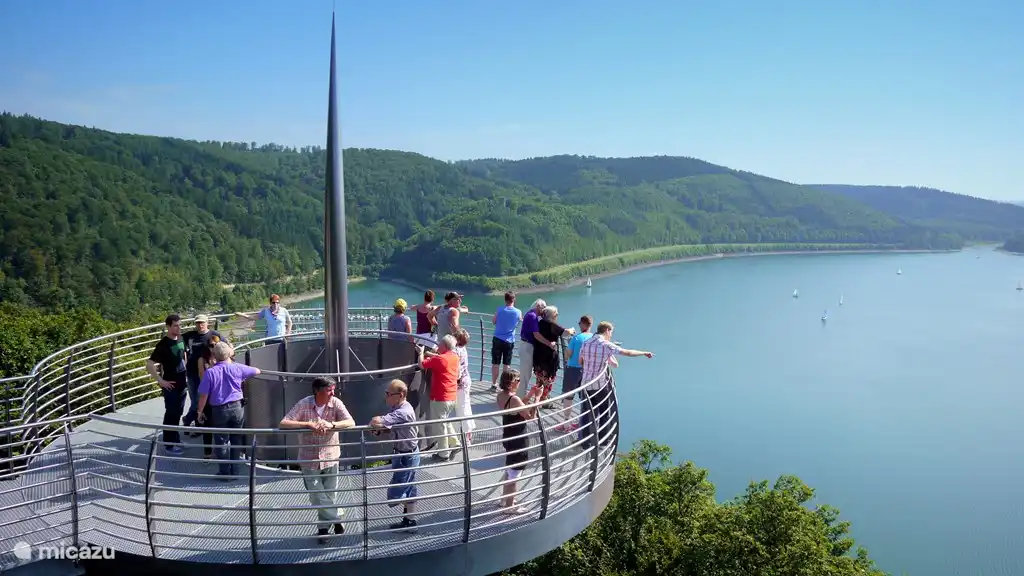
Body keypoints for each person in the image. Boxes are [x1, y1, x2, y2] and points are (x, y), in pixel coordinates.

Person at [279, 376, 356, 544]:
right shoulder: (304, 403)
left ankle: (323, 529)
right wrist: (307, 424)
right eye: (329, 390)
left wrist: (332, 425)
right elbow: (283, 423)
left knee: (329, 494)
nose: (332, 393)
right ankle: (338, 516)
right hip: (309, 458)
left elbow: (351, 422)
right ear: (317, 391)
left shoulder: (336, 403)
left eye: (333, 390)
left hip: (331, 457)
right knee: (316, 496)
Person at [578, 321, 654, 448]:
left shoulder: (586, 343)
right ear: (607, 330)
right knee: (604, 412)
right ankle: (603, 441)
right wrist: (644, 353)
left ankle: (586, 442)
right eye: (611, 332)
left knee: (587, 412)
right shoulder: (606, 345)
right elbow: (627, 352)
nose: (611, 335)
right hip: (599, 385)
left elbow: (580, 361)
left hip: (585, 383)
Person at [196, 341, 261, 480]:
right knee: (236, 439)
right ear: (229, 354)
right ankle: (235, 471)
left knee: (221, 441)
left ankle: (225, 473)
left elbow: (203, 395)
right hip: (237, 408)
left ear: (214, 356)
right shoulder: (237, 367)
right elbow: (257, 371)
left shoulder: (210, 372)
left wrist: (199, 412)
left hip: (219, 410)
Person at [369, 379, 420, 533]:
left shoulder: (403, 412)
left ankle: (410, 519)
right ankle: (410, 520)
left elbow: (377, 421)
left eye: (389, 394)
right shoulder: (397, 408)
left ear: (401, 395)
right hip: (403, 454)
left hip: (407, 456)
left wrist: (377, 424)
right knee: (408, 486)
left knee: (397, 492)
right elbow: (390, 427)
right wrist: (381, 430)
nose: (386, 397)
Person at [496, 369, 541, 514]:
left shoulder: (501, 396)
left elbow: (518, 408)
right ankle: (510, 506)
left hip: (508, 436)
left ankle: (504, 499)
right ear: (511, 383)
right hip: (518, 439)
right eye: (518, 380)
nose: (520, 382)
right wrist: (537, 398)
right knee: (515, 474)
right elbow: (530, 416)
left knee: (509, 469)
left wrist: (530, 394)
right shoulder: (514, 399)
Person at [145, 314, 188, 455]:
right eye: (175, 326)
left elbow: (183, 355)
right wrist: (160, 380)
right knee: (171, 413)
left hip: (182, 383)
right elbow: (149, 364)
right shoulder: (163, 345)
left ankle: (175, 439)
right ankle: (169, 445)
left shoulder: (181, 338)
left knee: (178, 413)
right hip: (170, 385)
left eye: (179, 325)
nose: (179, 328)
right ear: (168, 327)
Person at [418, 334, 461, 461]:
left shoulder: (439, 359)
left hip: (440, 398)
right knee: (445, 421)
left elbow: (422, 364)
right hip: (452, 396)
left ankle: (443, 454)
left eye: (440, 343)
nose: (438, 345)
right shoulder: (454, 357)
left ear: (445, 346)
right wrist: (431, 354)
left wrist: (421, 353)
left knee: (440, 426)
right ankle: (455, 443)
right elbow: (442, 359)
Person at [181, 314, 220, 431]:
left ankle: (193, 422)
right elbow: (176, 339)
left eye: (202, 322)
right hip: (192, 373)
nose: (200, 325)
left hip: (208, 373)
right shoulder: (189, 336)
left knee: (203, 400)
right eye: (198, 323)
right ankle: (193, 422)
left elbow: (226, 346)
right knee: (195, 401)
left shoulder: (214, 334)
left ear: (207, 323)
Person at [556, 315, 593, 432]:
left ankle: (566, 424)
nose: (579, 325)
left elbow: (568, 354)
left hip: (573, 369)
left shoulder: (576, 338)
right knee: (584, 397)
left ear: (583, 324)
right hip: (587, 370)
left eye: (579, 323)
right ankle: (583, 422)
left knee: (568, 397)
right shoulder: (594, 338)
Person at [531, 305, 575, 405]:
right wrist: (572, 330)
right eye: (556, 314)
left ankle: (538, 397)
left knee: (540, 378)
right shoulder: (552, 325)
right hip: (549, 357)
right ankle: (544, 400)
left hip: (538, 356)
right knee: (549, 378)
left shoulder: (540, 323)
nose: (557, 315)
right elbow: (565, 333)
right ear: (552, 315)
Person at [490, 291, 522, 390]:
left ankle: (494, 384)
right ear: (514, 299)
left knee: (495, 364)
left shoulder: (500, 309)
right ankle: (504, 385)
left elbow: (494, 321)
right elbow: (520, 320)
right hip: (509, 341)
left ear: (505, 300)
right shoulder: (518, 312)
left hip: (497, 339)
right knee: (506, 365)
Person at [453, 328, 475, 443]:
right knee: (466, 407)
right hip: (466, 381)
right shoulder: (463, 349)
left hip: (460, 384)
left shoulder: (456, 351)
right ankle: (469, 433)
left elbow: (457, 371)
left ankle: (466, 437)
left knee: (462, 410)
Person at [518, 299, 546, 391]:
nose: (544, 310)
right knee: (525, 375)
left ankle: (521, 395)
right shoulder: (533, 316)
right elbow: (536, 334)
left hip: (526, 345)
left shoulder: (531, 314)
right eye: (544, 307)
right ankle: (520, 397)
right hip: (527, 346)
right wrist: (549, 343)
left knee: (527, 374)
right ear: (538, 306)